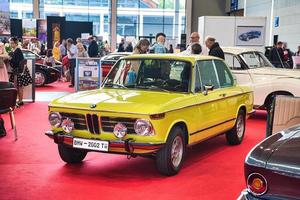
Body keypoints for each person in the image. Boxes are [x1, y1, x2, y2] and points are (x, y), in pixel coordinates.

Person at [8, 37, 32, 106]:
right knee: (18, 86)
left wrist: (10, 59)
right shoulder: (16, 50)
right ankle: (19, 100)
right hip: (19, 71)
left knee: (19, 86)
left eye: (12, 43)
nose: (11, 44)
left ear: (15, 43)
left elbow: (16, 62)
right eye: (10, 43)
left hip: (19, 71)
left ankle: (20, 101)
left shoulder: (17, 51)